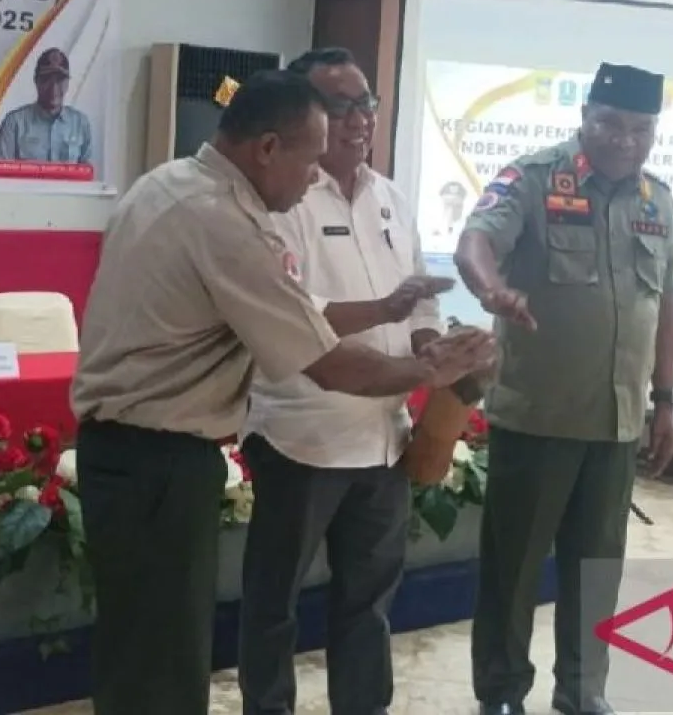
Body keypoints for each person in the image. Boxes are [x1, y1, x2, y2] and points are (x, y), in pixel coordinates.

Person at [72, 69, 497, 715]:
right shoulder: (223, 221)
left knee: (142, 649)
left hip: (140, 458)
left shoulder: (171, 184)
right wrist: (430, 373)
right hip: (165, 461)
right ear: (268, 148)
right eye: (309, 158)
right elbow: (326, 363)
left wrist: (390, 314)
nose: (313, 177)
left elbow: (298, 312)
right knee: (165, 660)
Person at [453, 63, 673, 715]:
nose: (625, 140)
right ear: (585, 116)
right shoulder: (533, 178)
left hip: (615, 422)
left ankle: (582, 689)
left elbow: (665, 302)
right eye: (611, 124)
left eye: (641, 129)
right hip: (538, 419)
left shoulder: (657, 199)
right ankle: (502, 692)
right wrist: (490, 289)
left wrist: (665, 401)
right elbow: (474, 242)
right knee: (514, 569)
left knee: (597, 569)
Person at [238, 48, 453, 715]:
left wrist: (439, 350)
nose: (359, 119)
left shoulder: (391, 198)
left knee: (368, 604)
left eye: (366, 103)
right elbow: (291, 317)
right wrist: (386, 311)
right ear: (305, 114)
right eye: (340, 106)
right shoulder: (280, 202)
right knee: (273, 602)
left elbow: (419, 306)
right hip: (302, 437)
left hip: (384, 440)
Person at [0, 48, 93, 165]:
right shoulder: (14, 123)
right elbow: (1, 172)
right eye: (47, 79)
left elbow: (87, 172)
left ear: (68, 83)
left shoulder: (80, 124)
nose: (53, 87)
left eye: (60, 80)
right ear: (36, 81)